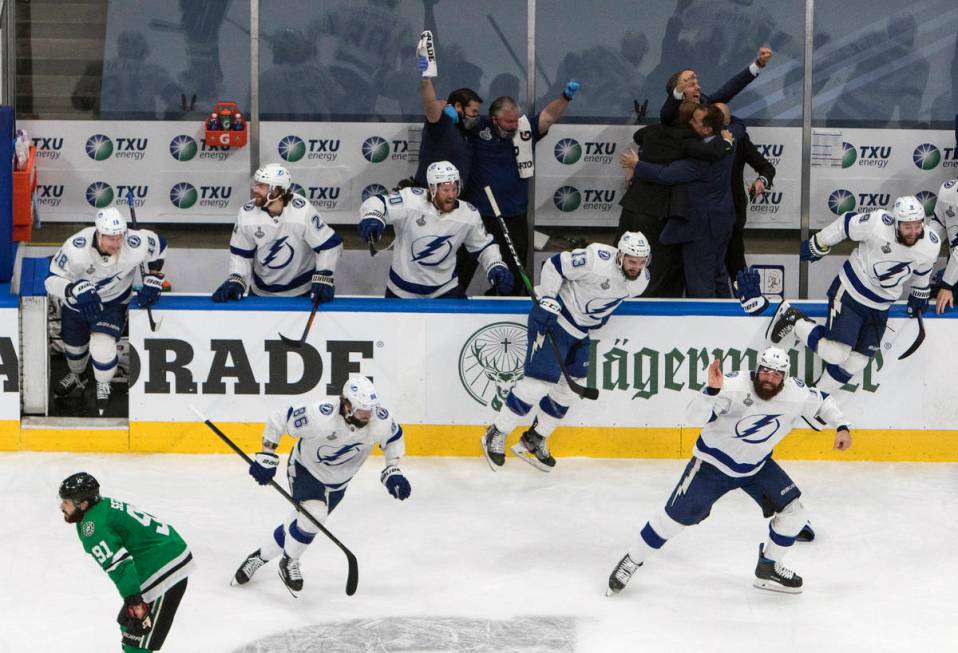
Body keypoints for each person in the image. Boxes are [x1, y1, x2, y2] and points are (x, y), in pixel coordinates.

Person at [606, 348, 851, 597]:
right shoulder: (733, 386)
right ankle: (632, 560)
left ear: (785, 377)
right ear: (757, 370)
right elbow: (693, 418)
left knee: (795, 514)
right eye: (764, 371)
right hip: (712, 466)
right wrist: (711, 391)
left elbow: (821, 400)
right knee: (673, 520)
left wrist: (841, 425)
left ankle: (768, 568)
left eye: (776, 374)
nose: (769, 378)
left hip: (757, 466)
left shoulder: (795, 393)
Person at [481, 232, 650, 472]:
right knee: (537, 385)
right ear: (620, 255)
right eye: (632, 261)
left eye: (642, 261)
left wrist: (596, 320)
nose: (637, 267)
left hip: (580, 332)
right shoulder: (595, 259)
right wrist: (548, 299)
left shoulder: (641, 280)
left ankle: (534, 438)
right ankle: (496, 432)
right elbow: (554, 265)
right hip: (556, 320)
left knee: (571, 389)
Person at [233, 376, 410, 594]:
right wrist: (267, 455)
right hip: (306, 471)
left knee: (303, 524)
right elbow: (279, 419)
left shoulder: (378, 419)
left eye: (370, 410)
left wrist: (392, 468)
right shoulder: (320, 416)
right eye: (362, 410)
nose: (368, 415)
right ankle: (289, 561)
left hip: (338, 484)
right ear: (346, 405)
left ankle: (259, 558)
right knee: (315, 515)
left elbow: (393, 439)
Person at [769, 196, 940, 393]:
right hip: (851, 294)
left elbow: (923, 268)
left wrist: (920, 290)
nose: (913, 232)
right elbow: (846, 223)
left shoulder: (931, 244)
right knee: (836, 354)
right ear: (895, 223)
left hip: (881, 307)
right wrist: (820, 241)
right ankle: (794, 319)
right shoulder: (877, 223)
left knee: (857, 362)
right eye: (907, 227)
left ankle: (815, 398)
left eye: (917, 226)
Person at [458, 85, 578, 296]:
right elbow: (447, 119)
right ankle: (450, 304)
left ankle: (504, 302)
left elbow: (549, 116)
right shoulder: (478, 126)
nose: (513, 125)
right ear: (494, 119)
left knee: (514, 268)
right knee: (463, 265)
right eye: (508, 122)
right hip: (478, 214)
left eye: (515, 120)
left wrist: (566, 96)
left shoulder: (524, 128)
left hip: (514, 213)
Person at [45, 207, 167, 415]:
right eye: (111, 238)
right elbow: (50, 280)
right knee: (74, 352)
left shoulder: (134, 243)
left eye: (120, 237)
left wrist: (154, 278)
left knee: (102, 347)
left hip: (113, 303)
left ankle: (104, 382)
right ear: (98, 234)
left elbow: (159, 245)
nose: (117, 243)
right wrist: (73, 289)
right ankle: (77, 374)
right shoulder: (76, 247)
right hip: (78, 304)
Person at [59, 472, 194, 651]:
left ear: (83, 504)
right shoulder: (101, 506)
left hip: (164, 567)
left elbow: (120, 567)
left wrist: (135, 601)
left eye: (66, 502)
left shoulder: (94, 527)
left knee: (137, 642)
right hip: (163, 551)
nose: (61, 506)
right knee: (127, 623)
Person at [617, 100, 733, 297]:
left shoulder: (702, 159)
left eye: (695, 122)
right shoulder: (727, 141)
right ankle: (729, 323)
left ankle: (703, 324)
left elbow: (666, 174)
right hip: (721, 223)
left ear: (706, 129)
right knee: (718, 275)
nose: (690, 124)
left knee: (700, 285)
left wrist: (637, 165)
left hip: (701, 230)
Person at [358, 161, 514, 298]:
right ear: (432, 188)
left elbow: (483, 246)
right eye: (445, 190)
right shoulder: (411, 201)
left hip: (444, 290)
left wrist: (495, 264)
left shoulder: (468, 214)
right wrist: (373, 216)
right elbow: (378, 202)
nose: (451, 195)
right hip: (401, 291)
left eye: (454, 189)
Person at [212, 164, 343, 302]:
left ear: (278, 191)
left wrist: (324, 276)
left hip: (302, 292)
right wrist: (236, 278)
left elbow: (329, 245)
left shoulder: (302, 211)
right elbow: (241, 254)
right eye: (256, 184)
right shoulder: (247, 214)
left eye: (261, 186)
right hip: (260, 293)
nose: (255, 189)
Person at [413, 30, 482, 188]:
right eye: (473, 112)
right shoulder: (444, 123)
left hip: (455, 202)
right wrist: (426, 79)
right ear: (458, 107)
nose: (476, 117)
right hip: (431, 200)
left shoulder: (468, 132)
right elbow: (431, 106)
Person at [715, 102, 776, 281]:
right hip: (703, 219)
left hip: (732, 214)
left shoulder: (739, 138)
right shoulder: (696, 139)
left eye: (725, 123)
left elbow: (766, 167)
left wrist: (761, 181)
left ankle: (747, 304)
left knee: (737, 268)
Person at [660, 46, 773, 125]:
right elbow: (667, 112)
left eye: (697, 83)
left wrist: (758, 64)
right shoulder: (672, 114)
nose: (698, 88)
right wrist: (679, 89)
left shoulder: (704, 101)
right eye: (690, 84)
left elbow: (732, 87)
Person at [930, 178, 958, 314]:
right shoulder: (948, 191)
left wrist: (947, 286)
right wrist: (922, 249)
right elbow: (939, 223)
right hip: (953, 265)